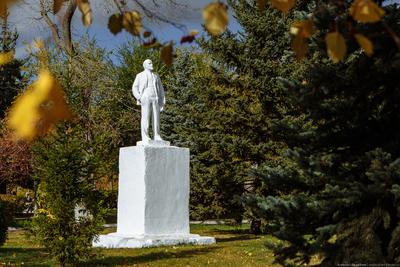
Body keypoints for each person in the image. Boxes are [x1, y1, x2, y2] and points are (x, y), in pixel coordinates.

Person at [132, 59, 166, 142]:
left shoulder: (156, 75)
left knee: (156, 117)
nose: (151, 64)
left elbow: (161, 88)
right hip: (145, 96)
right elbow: (134, 87)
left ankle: (157, 135)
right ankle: (145, 136)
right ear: (145, 65)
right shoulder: (140, 75)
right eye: (149, 63)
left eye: (152, 63)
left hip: (155, 97)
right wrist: (139, 97)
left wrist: (163, 100)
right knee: (146, 116)